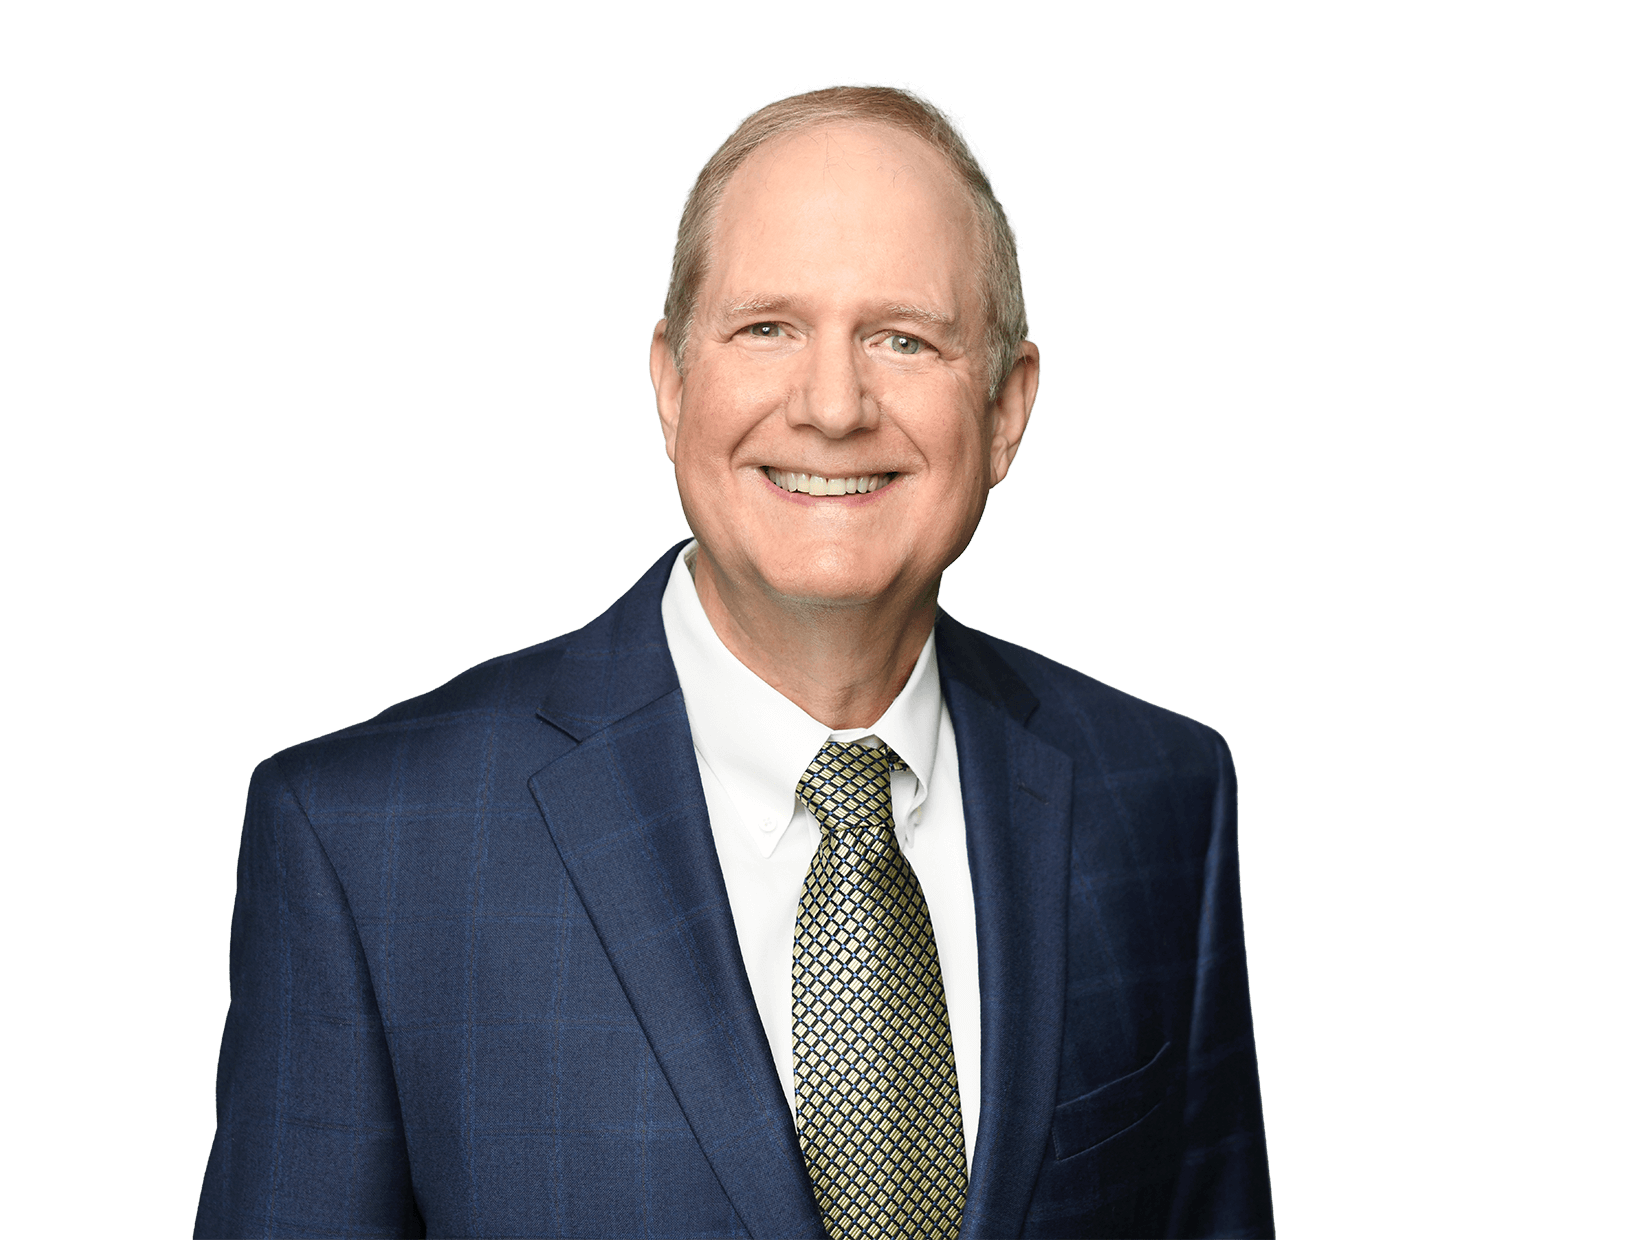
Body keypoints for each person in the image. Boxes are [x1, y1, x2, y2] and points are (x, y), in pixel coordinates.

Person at [196, 83, 1274, 1239]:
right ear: (669, 383)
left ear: (1005, 409)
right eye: (767, 328)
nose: (832, 406)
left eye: (902, 338)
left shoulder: (1161, 795)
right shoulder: (362, 841)